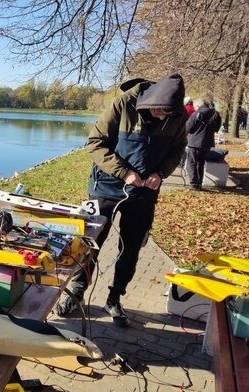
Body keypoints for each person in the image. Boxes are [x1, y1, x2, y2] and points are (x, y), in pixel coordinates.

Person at [55, 73, 188, 327]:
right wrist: (124, 172)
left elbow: (178, 149)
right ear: (152, 102)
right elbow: (94, 143)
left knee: (131, 248)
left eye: (168, 115)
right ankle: (77, 291)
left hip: (144, 191)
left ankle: (115, 298)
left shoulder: (178, 116)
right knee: (91, 244)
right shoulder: (123, 104)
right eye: (160, 112)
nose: (163, 118)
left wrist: (160, 174)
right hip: (106, 186)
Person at [185, 99, 222, 190]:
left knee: (192, 163)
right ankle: (199, 183)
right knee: (200, 163)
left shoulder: (198, 113)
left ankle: (194, 184)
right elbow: (217, 128)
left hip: (194, 141)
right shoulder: (216, 114)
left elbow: (188, 126)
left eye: (194, 107)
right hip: (207, 142)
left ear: (197, 106)